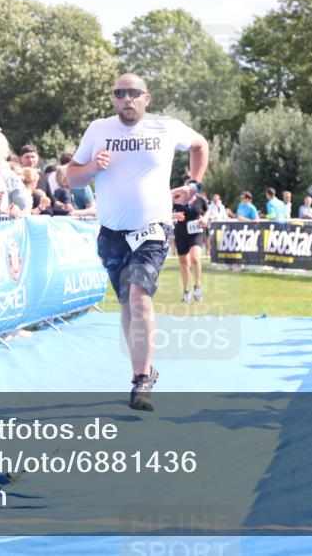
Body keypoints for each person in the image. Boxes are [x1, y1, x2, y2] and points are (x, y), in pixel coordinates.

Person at [67, 73, 208, 411]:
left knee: (139, 297)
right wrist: (89, 167)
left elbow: (200, 145)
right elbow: (72, 177)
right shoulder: (98, 129)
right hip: (112, 233)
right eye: (119, 93)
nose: (126, 99)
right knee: (128, 306)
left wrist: (194, 185)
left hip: (152, 229)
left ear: (147, 97)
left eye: (133, 93)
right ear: (114, 99)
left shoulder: (166, 127)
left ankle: (141, 380)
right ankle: (142, 372)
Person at [172, 175, 208, 303]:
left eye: (193, 186)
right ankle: (186, 290)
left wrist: (205, 218)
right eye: (188, 185)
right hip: (181, 232)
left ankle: (197, 286)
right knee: (184, 262)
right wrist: (174, 215)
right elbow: (163, 212)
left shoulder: (200, 199)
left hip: (196, 232)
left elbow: (207, 211)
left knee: (195, 258)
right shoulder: (175, 199)